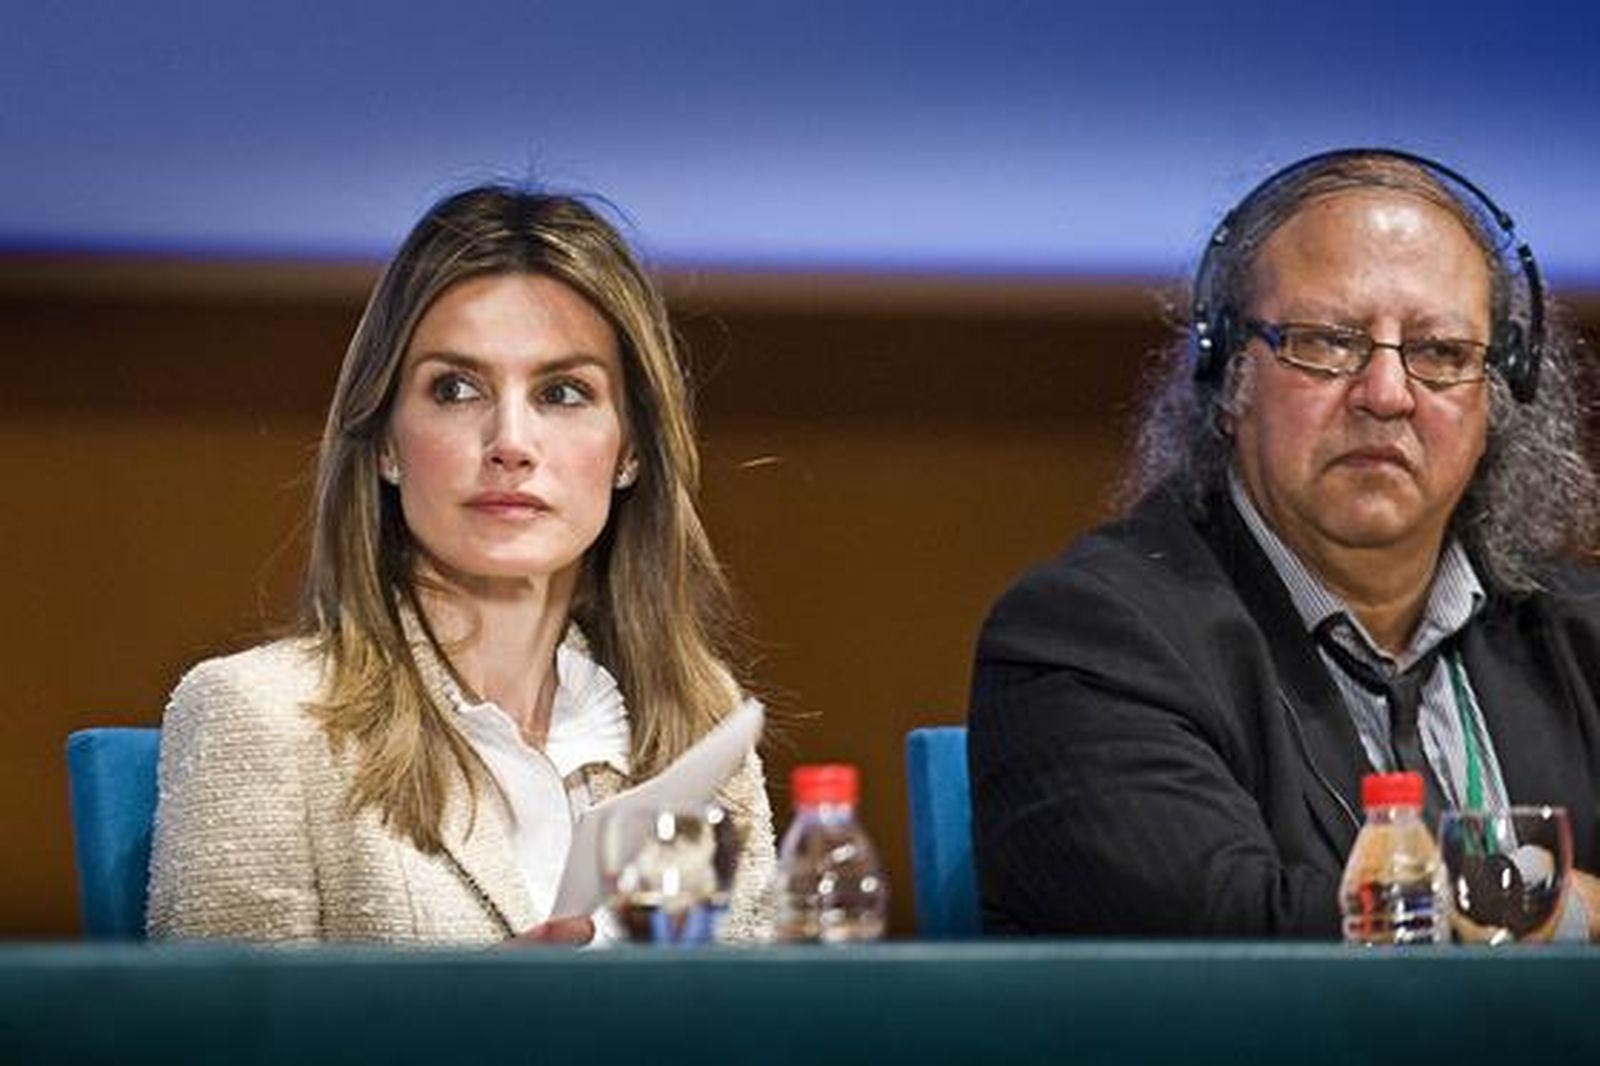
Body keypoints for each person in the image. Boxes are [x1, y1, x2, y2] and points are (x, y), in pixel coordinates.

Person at [969, 148, 1600, 938]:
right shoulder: (1089, 637)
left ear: (1498, 399)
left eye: (1440, 353)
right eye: (1327, 341)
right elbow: (1221, 926)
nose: (1387, 393)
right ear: (1231, 377)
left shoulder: (1582, 636)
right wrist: (1554, 907)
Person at [147, 185, 774, 943]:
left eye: (564, 392)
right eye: (455, 388)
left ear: (631, 450)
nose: (510, 441)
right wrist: (469, 1023)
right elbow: (218, 1046)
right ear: (383, 442)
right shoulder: (258, 718)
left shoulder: (695, 729)